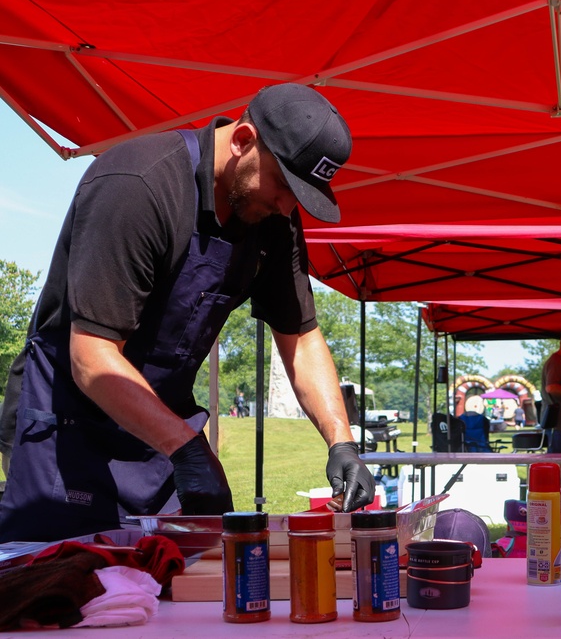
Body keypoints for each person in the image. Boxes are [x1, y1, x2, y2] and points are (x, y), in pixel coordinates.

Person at [0, 83, 376, 543]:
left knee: (194, 577)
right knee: (73, 593)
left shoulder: (272, 216)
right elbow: (92, 357)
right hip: (68, 430)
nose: (287, 205)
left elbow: (300, 335)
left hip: (163, 431)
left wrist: (342, 441)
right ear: (242, 141)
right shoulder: (137, 185)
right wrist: (188, 450)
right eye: (283, 185)